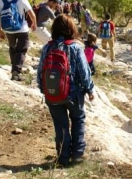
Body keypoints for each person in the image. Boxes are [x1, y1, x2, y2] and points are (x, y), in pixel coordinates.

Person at [37, 15, 95, 167]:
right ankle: (77, 155)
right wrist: (90, 89)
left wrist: (44, 90)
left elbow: (40, 71)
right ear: (71, 29)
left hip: (53, 94)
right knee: (78, 119)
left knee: (60, 125)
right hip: (73, 94)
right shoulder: (75, 47)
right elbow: (84, 72)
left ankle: (63, 158)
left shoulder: (47, 47)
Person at [0, 0, 36, 81]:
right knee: (21, 50)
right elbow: (31, 13)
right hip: (22, 29)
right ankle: (16, 72)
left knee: (12, 48)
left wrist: (0, 31)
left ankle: (14, 68)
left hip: (8, 29)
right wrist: (34, 23)